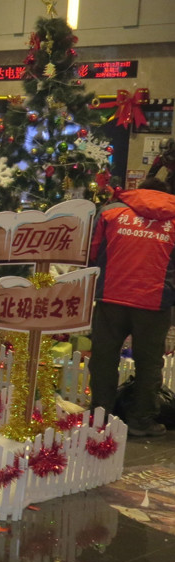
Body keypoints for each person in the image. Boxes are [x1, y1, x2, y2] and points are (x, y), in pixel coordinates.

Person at [88, 178, 175, 438]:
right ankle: (140, 420)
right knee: (149, 363)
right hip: (154, 301)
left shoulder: (111, 212)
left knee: (104, 358)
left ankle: (100, 418)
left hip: (111, 297)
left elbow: (92, 252)